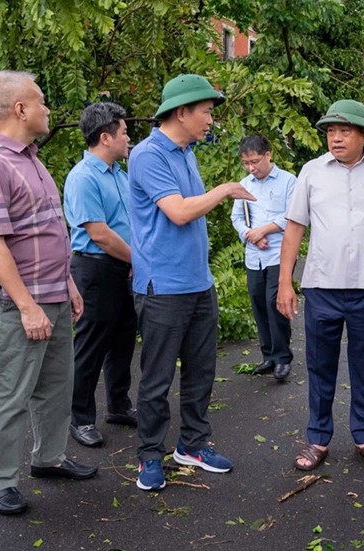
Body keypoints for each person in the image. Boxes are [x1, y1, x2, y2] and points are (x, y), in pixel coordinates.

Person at [0, 70, 98, 516]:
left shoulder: (31, 159)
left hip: (54, 295)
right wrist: (27, 306)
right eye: (40, 101)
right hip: (20, 303)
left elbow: (48, 231)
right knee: (11, 392)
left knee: (57, 385)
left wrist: (68, 284)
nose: (46, 108)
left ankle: (49, 458)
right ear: (19, 108)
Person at [128, 74, 255, 491]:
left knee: (201, 372)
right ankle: (150, 454)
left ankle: (193, 445)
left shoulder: (186, 152)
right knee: (157, 378)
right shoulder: (148, 155)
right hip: (162, 287)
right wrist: (224, 190)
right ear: (181, 112)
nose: (210, 120)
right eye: (206, 111)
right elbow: (179, 212)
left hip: (199, 284)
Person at [277, 99, 364, 471]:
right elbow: (294, 227)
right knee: (320, 367)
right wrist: (285, 281)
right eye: (330, 131)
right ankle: (318, 440)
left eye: (344, 131)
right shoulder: (311, 171)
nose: (335, 138)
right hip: (322, 287)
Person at [63, 102, 137, 448]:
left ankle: (119, 405)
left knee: (123, 337)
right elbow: (100, 234)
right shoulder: (83, 177)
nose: (128, 138)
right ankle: (79, 418)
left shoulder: (119, 175)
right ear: (106, 137)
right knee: (91, 345)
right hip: (96, 268)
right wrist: (139, 259)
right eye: (123, 132)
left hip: (123, 266)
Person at [230, 135, 296, 380]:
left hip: (280, 253)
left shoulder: (289, 181)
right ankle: (268, 355)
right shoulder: (243, 184)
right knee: (258, 302)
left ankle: (282, 358)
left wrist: (264, 230)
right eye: (246, 163)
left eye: (255, 161)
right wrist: (251, 235)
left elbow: (292, 216)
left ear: (268, 155)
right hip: (254, 253)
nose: (251, 168)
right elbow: (236, 217)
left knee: (274, 302)